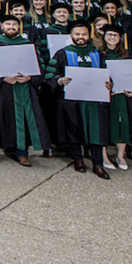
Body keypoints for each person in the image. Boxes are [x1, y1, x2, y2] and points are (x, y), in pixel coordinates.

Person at [0, 15, 50, 166]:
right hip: (1, 88)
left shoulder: (27, 44)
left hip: (22, 88)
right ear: (2, 25)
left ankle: (21, 153)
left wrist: (30, 77)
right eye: (8, 24)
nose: (11, 27)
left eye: (14, 25)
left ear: (19, 27)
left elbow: (39, 65)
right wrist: (2, 78)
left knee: (22, 119)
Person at [47, 21, 110, 179]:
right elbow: (49, 74)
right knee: (74, 128)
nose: (81, 37)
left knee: (96, 131)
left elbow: (107, 74)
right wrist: (59, 80)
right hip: (73, 100)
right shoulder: (62, 53)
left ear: (89, 36)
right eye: (77, 34)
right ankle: (78, 159)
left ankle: (97, 163)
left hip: (94, 101)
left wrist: (110, 83)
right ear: (71, 36)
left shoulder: (97, 54)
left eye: (84, 34)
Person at [100, 24, 132, 170]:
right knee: (103, 124)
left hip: (121, 95)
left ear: (121, 38)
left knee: (122, 124)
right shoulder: (98, 54)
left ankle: (120, 155)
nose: (112, 38)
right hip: (103, 94)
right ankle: (104, 155)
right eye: (109, 35)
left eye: (115, 35)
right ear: (104, 37)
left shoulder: (127, 55)